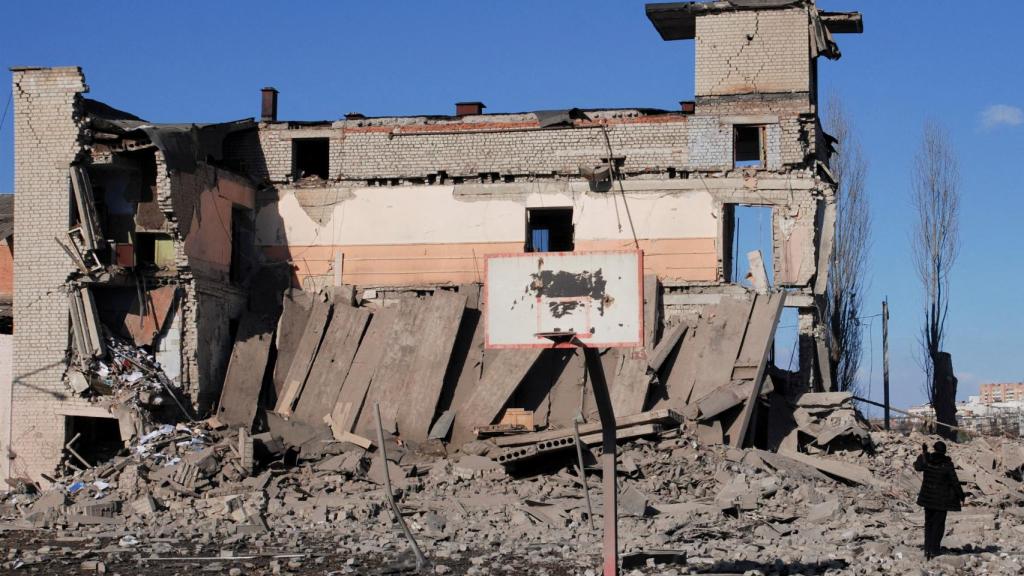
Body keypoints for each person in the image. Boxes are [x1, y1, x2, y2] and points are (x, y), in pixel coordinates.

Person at [914, 441, 966, 559]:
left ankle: (927, 550)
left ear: (934, 449)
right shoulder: (947, 464)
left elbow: (917, 466)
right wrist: (962, 496)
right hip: (942, 500)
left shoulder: (928, 461)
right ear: (944, 451)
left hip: (928, 499)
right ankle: (935, 550)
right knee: (938, 525)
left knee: (929, 524)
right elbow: (955, 481)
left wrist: (923, 454)